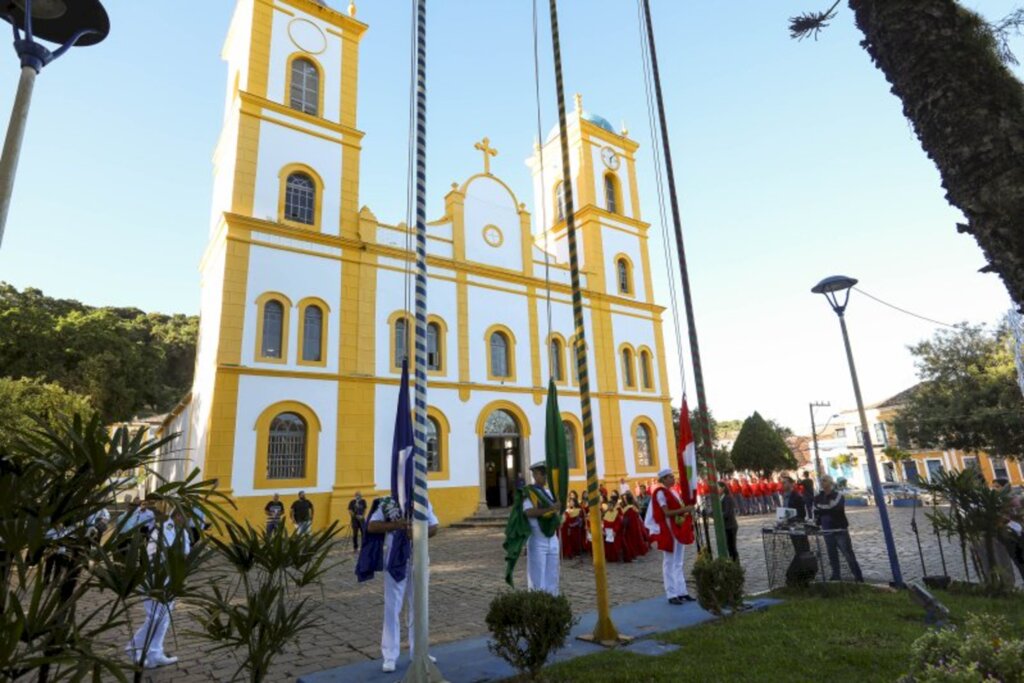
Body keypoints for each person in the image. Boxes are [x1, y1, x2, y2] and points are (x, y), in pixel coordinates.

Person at [361, 494, 439, 673]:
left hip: (418, 558)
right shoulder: (387, 503)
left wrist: (419, 533)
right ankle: (389, 655)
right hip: (396, 559)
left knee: (419, 606)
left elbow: (434, 526)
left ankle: (419, 652)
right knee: (392, 607)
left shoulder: (422, 499)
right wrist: (396, 525)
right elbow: (372, 525)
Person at [126, 504, 190, 669]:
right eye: (185, 517)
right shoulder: (162, 529)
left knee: (164, 617)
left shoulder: (182, 532)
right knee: (154, 617)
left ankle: (155, 653)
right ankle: (133, 648)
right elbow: (160, 553)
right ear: (177, 516)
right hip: (154, 578)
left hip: (171, 578)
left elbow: (186, 553)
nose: (187, 520)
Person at [644, 468, 696, 604]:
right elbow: (666, 512)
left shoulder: (674, 492)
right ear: (664, 479)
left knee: (679, 561)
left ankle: (682, 591)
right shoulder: (661, 493)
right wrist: (684, 510)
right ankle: (671, 593)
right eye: (670, 477)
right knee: (669, 562)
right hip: (668, 529)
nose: (673, 479)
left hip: (677, 529)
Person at [814, 475, 864, 582]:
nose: (822, 483)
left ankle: (858, 576)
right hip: (826, 530)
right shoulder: (818, 497)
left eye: (824, 480)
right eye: (821, 481)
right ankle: (836, 575)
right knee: (832, 554)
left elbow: (834, 508)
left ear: (830, 483)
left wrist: (822, 509)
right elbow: (816, 509)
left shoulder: (838, 495)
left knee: (848, 554)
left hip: (839, 529)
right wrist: (823, 510)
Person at [522, 461, 561, 593]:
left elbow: (557, 511)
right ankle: (538, 607)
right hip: (538, 539)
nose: (545, 478)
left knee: (553, 577)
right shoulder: (529, 493)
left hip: (552, 538)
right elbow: (528, 512)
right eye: (543, 474)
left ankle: (553, 603)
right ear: (535, 474)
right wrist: (549, 509)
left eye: (546, 474)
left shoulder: (550, 493)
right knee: (537, 579)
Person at [718, 480, 740, 562]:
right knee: (729, 547)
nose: (717, 490)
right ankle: (733, 563)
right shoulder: (721, 497)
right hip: (726, 526)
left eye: (718, 488)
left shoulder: (727, 497)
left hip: (730, 526)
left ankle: (736, 565)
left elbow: (727, 513)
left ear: (723, 488)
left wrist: (718, 516)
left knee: (732, 548)